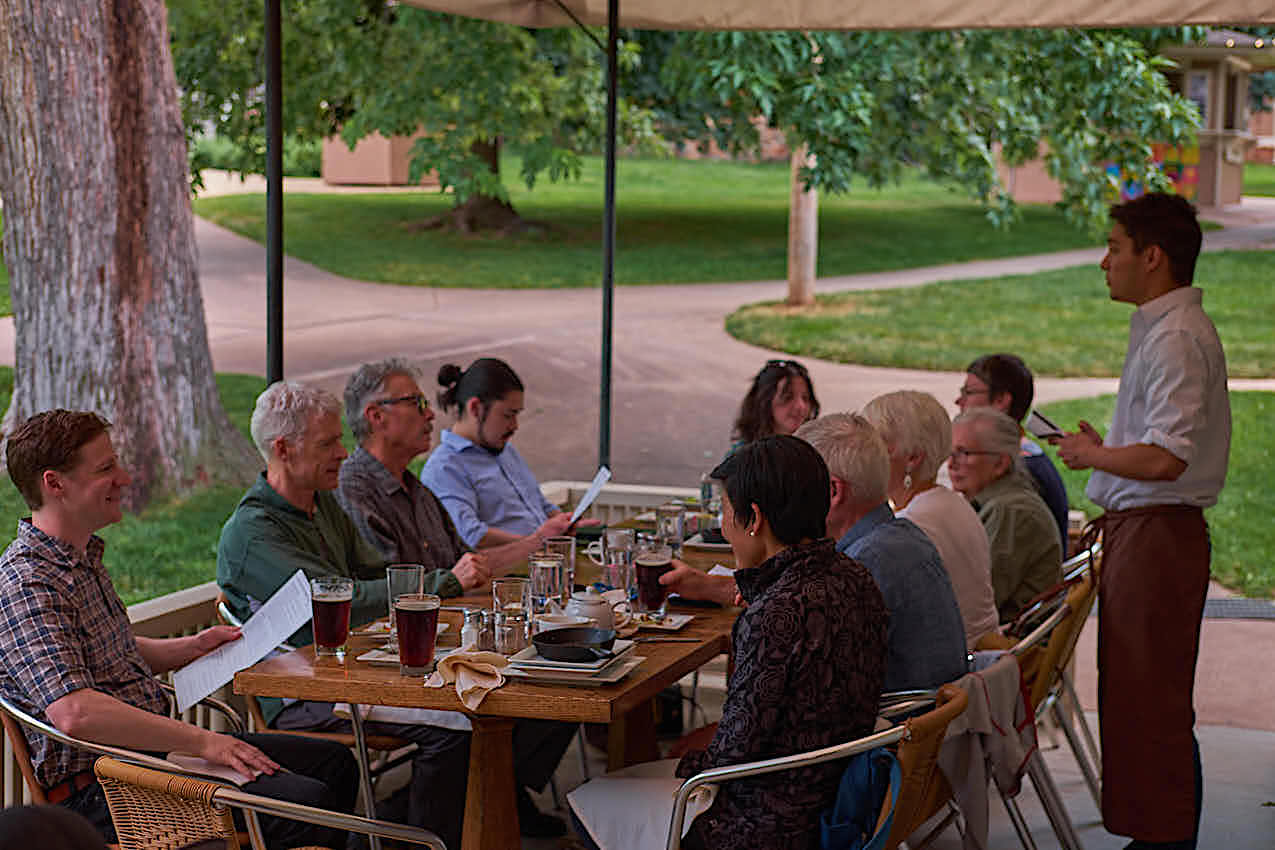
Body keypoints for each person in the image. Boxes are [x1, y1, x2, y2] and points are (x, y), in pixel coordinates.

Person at [217, 381, 570, 845]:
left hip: (354, 670)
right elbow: (341, 600)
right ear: (282, 449)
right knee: (461, 724)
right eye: (328, 443)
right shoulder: (252, 534)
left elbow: (378, 576)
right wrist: (439, 585)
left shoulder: (321, 506)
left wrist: (415, 592)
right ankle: (406, 836)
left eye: (340, 439)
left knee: (512, 690)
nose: (344, 453)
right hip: (301, 695)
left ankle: (406, 826)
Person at [0, 410, 357, 848]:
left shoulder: (80, 557)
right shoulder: (27, 583)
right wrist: (205, 742)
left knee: (335, 763)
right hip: (102, 786)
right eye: (106, 468)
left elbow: (110, 650)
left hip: (151, 760)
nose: (126, 478)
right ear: (54, 484)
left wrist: (194, 646)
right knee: (306, 803)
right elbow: (75, 712)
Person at [570, 436, 888, 850]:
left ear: (753, 517)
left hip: (766, 824)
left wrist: (687, 759)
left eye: (723, 511)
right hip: (838, 799)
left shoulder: (774, 615)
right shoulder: (855, 578)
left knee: (588, 801)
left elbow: (729, 758)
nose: (723, 525)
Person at [1050, 192, 1229, 850]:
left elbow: (1165, 457)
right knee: (1137, 698)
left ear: (1151, 257)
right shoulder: (1164, 328)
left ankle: (1165, 840)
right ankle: (1157, 835)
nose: (1104, 262)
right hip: (1143, 535)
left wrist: (1092, 454)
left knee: (1150, 704)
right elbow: (1152, 445)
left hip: (1158, 539)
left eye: (1114, 248)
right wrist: (1106, 452)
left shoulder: (1177, 336)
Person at [794, 414, 967, 691]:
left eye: (793, 485)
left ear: (832, 492)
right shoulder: (905, 535)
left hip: (895, 726)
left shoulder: (862, 564)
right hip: (933, 721)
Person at [338, 358, 553, 578]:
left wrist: (540, 545)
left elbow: (471, 568)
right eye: (417, 403)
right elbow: (390, 592)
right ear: (377, 416)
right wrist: (538, 542)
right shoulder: (354, 490)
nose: (430, 414)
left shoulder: (419, 492)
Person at [859, 390, 1000, 648]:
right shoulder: (953, 503)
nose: (862, 455)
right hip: (983, 667)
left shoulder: (908, 527)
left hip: (949, 678)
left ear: (912, 458)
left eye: (873, 445)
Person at [420, 358, 575, 548]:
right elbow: (471, 536)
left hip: (544, 562)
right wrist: (538, 543)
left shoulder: (505, 451)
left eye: (517, 415)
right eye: (508, 415)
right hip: (505, 574)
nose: (515, 426)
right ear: (475, 408)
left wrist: (563, 522)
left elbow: (541, 506)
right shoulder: (444, 468)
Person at [949, 408, 1062, 624]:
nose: (951, 463)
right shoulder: (1001, 502)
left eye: (964, 453)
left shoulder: (1011, 512)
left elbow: (974, 603)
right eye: (950, 451)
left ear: (1000, 464)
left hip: (1003, 649)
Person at [957, 353, 1070, 553]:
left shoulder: (1019, 475)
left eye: (969, 392)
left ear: (1001, 399)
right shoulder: (1025, 457)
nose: (959, 401)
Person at [728, 359, 819, 450]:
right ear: (764, 401)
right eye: (788, 397)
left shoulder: (814, 449)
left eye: (806, 398)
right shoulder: (742, 457)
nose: (801, 406)